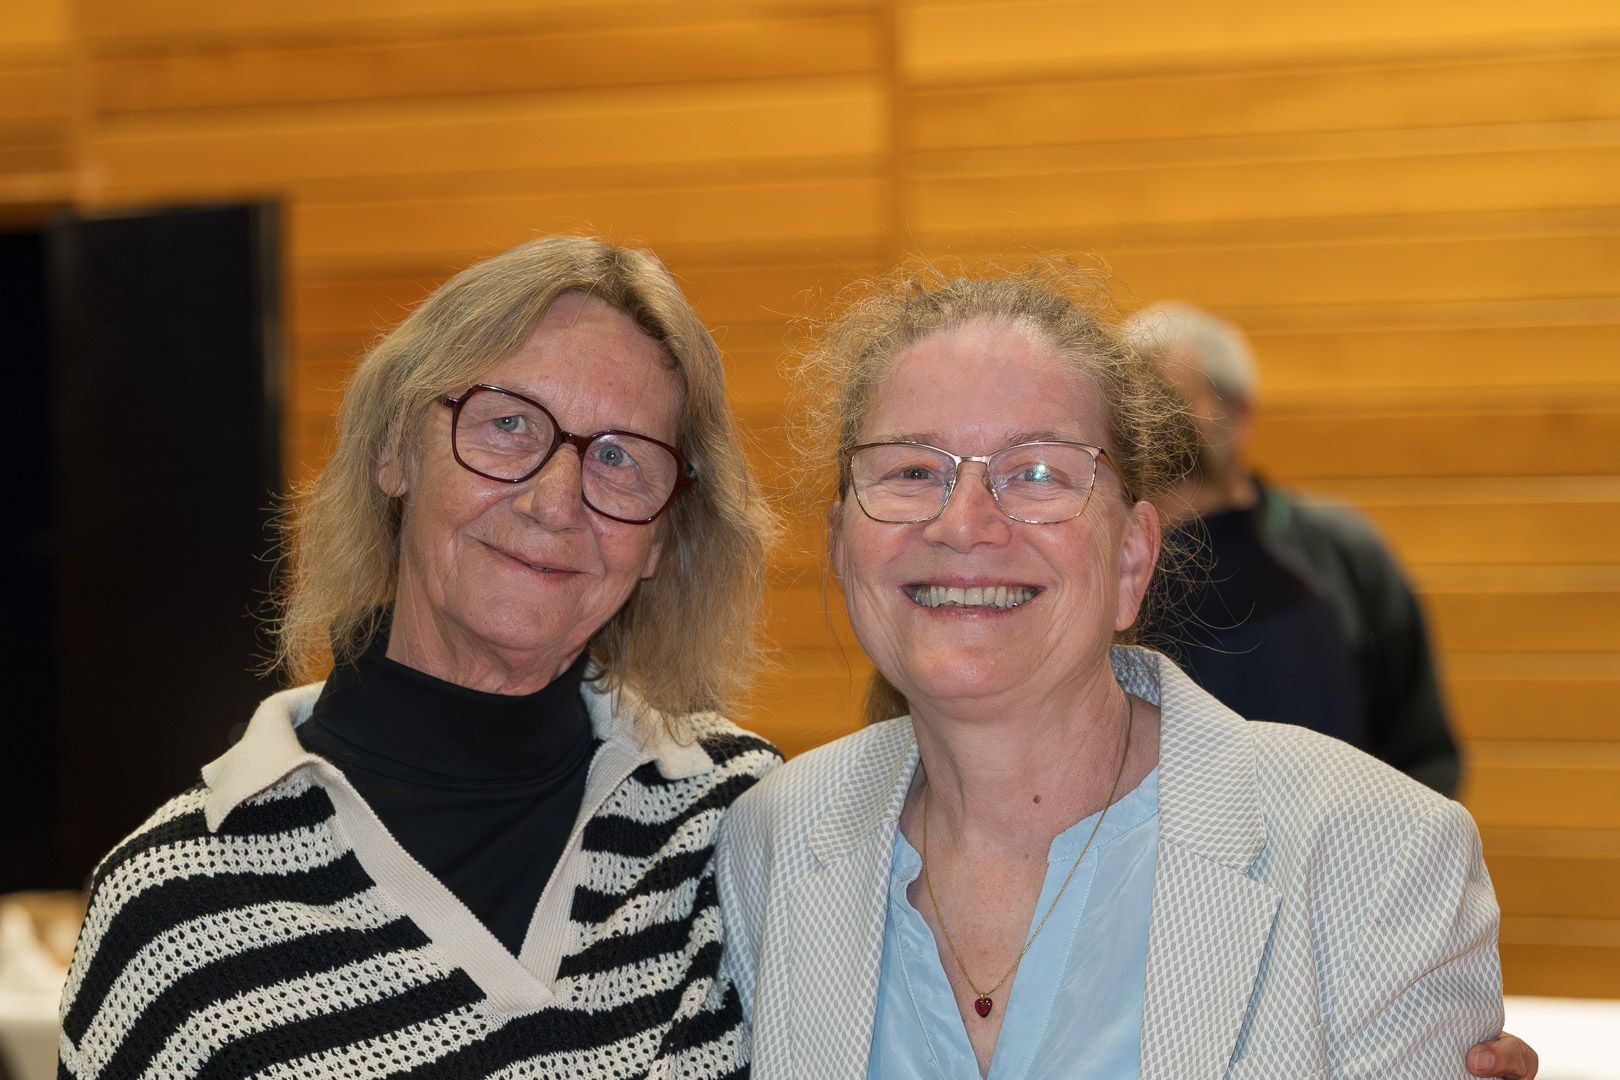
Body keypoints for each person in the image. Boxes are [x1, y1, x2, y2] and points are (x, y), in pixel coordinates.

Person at [715, 261, 1535, 1078]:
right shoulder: (767, 847)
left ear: (1133, 558)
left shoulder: (1378, 857)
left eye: (1037, 473)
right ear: (840, 546)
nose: (962, 525)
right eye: (911, 471)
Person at [57, 236, 781, 1078]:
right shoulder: (174, 911)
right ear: (395, 451)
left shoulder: (742, 822)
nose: (555, 503)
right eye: (508, 423)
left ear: (659, 537)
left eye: (619, 457)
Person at [1125, 301, 1460, 795]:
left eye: (1166, 402)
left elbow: (1422, 751)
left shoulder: (1336, 557)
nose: (1148, 427)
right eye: (1132, 407)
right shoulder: (1115, 568)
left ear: (1238, 415)